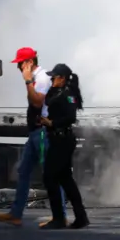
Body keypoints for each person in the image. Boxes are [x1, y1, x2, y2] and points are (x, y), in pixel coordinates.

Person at [0, 47, 66, 227]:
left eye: (20, 64)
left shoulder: (41, 78)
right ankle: (16, 214)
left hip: (43, 133)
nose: (18, 67)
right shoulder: (38, 78)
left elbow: (37, 101)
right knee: (23, 171)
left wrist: (27, 82)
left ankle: (60, 216)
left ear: (29, 63)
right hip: (36, 132)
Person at [39, 63, 89, 229]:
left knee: (50, 177)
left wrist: (52, 123)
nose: (52, 79)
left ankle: (59, 218)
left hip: (63, 139)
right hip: (56, 139)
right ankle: (80, 217)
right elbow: (47, 101)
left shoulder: (68, 94)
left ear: (62, 78)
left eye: (55, 77)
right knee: (65, 179)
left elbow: (70, 117)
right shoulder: (58, 91)